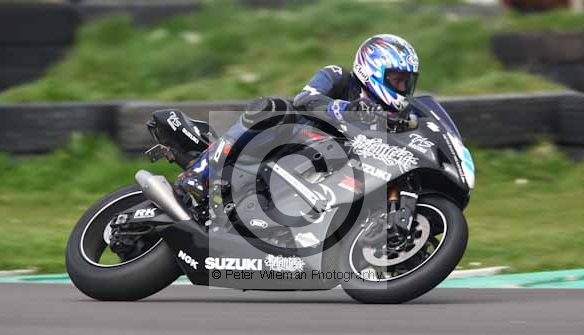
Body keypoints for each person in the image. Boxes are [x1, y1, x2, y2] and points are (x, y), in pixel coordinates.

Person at [174, 34, 420, 206]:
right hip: (294, 142)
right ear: (373, 69)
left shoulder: (390, 114)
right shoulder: (338, 76)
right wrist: (348, 108)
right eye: (397, 80)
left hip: (334, 173)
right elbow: (305, 99)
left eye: (406, 82)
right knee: (271, 107)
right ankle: (199, 173)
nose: (402, 88)